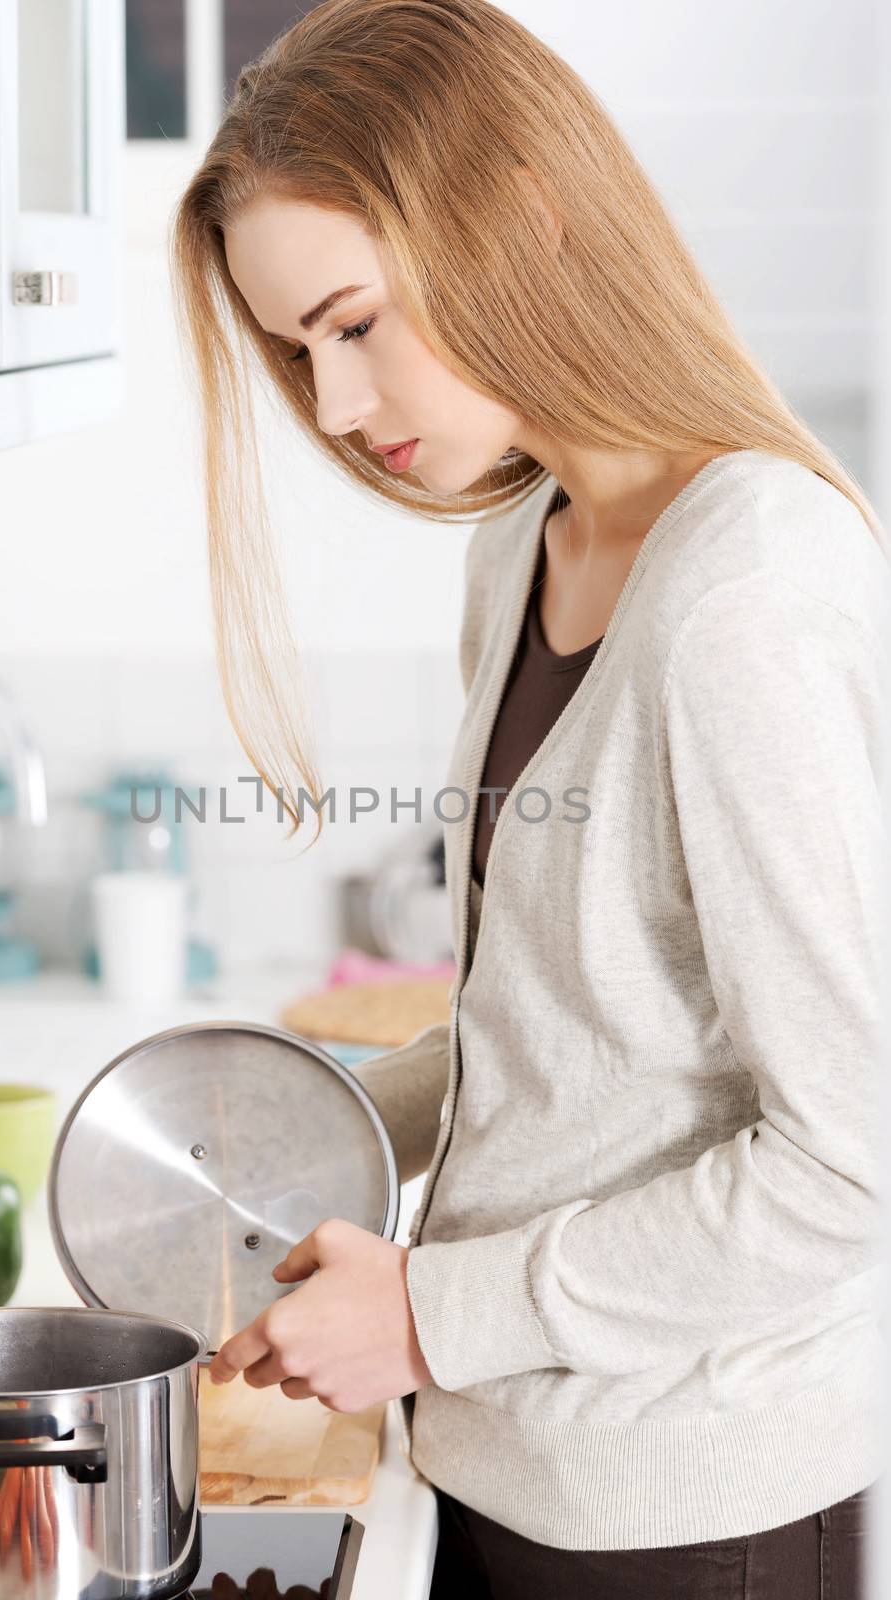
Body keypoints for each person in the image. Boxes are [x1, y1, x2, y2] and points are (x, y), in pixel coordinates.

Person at [171, 3, 889, 1594]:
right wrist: (307, 1128)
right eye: (300, 353)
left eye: (353, 323)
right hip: (509, 1463)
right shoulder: (527, 545)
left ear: (522, 218)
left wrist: (426, 1310)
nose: (340, 407)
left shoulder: (745, 591)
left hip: (695, 1517)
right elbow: (579, 1032)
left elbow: (851, 1163)